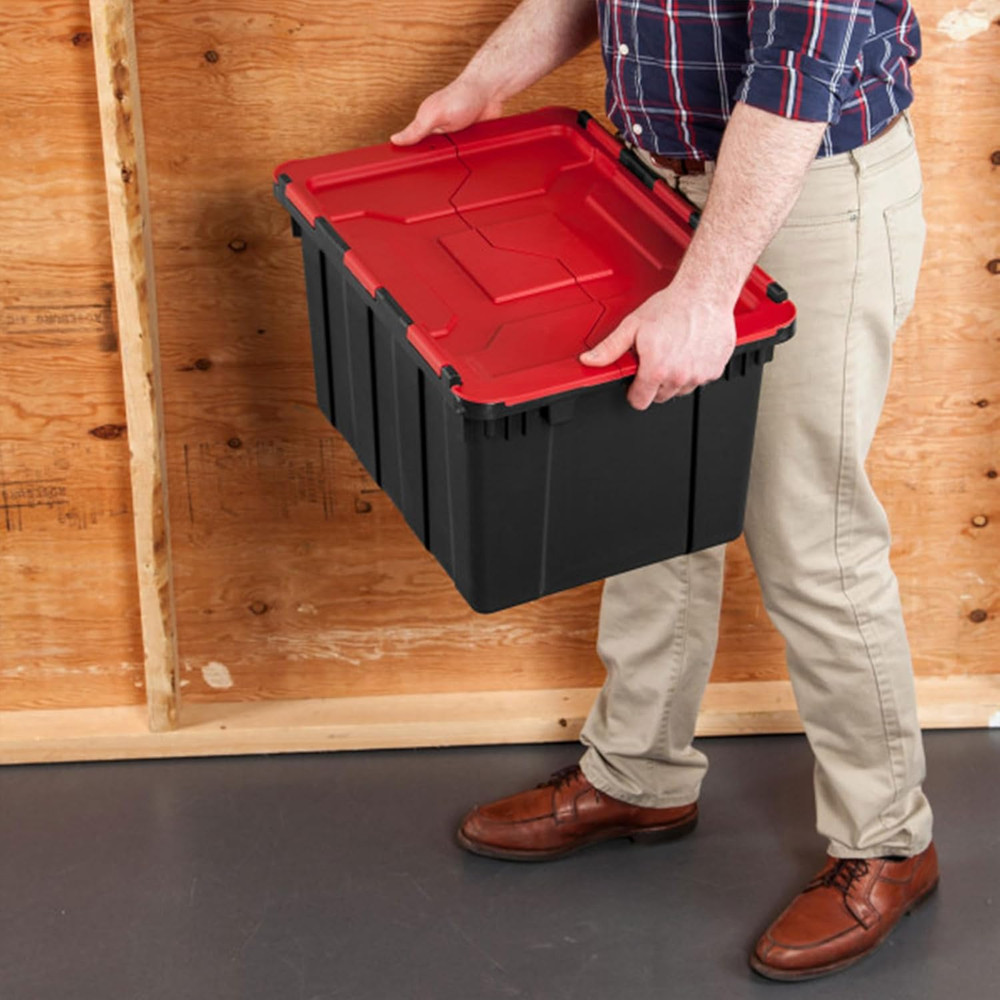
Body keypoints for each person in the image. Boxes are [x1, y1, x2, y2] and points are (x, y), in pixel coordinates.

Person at [392, 0, 937, 982]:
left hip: (802, 190)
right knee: (649, 508)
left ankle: (888, 841)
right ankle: (637, 776)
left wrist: (703, 288)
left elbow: (798, 69)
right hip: (646, 182)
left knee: (809, 534)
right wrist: (484, 82)